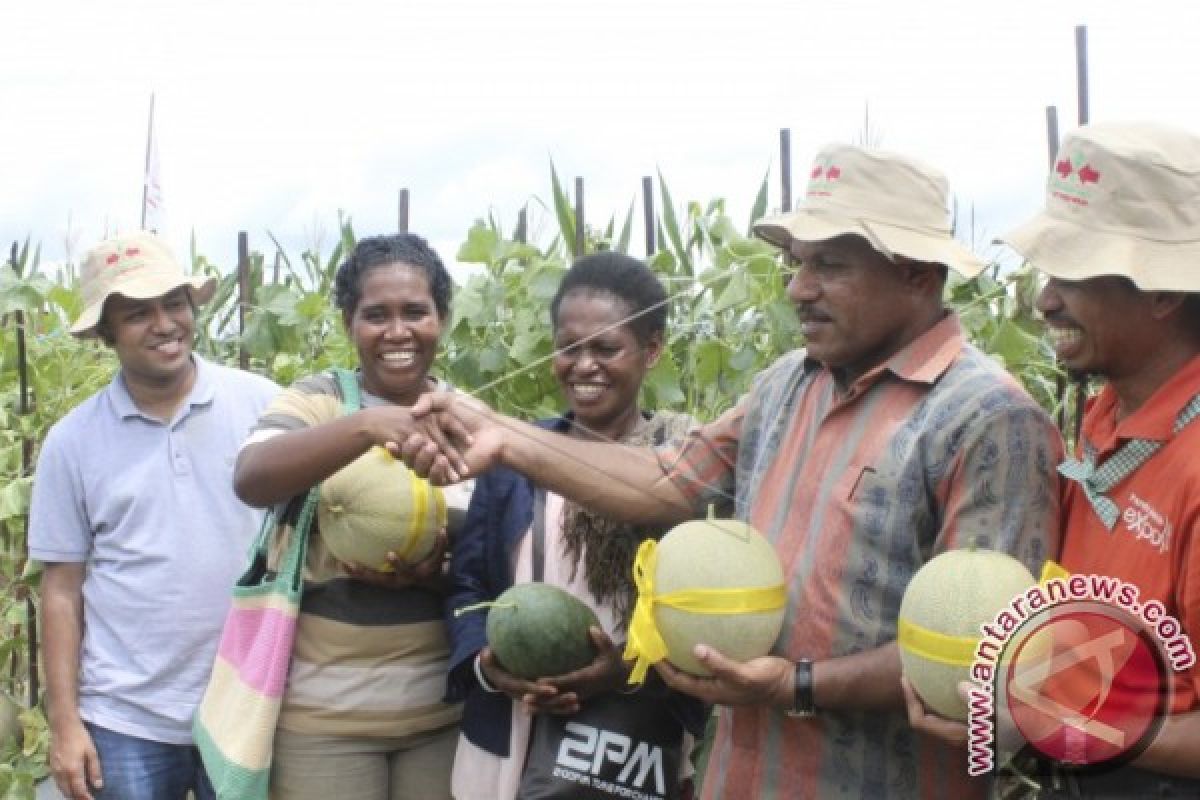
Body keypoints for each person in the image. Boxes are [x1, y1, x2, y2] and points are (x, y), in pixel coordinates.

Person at [400, 143, 1064, 799]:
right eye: (797, 263)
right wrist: (504, 436)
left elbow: (980, 651)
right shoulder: (787, 386)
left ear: (918, 272)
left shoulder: (989, 418)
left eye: (829, 265)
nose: (798, 288)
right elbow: (664, 482)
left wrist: (795, 685)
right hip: (744, 774)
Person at [907, 122, 1200, 797]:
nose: (1044, 300)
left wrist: (1052, 725)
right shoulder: (1108, 415)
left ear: (1162, 292)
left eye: (1072, 272)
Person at [446, 252, 708, 800]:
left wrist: (628, 672)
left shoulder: (684, 472)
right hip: (511, 735)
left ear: (652, 350)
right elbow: (468, 587)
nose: (583, 365)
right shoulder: (513, 458)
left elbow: (704, 618)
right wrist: (491, 667)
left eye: (606, 348)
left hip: (631, 738)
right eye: (569, 348)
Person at [29, 231, 280, 800]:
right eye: (138, 314)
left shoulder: (263, 405)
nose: (164, 324)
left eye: (174, 305)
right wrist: (66, 725)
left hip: (249, 705)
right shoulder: (73, 442)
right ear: (105, 333)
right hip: (125, 719)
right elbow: (62, 590)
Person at [232, 232, 470, 800]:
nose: (397, 332)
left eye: (415, 312)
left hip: (440, 718)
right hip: (323, 723)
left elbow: (496, 560)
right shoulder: (319, 402)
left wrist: (433, 576)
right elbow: (251, 477)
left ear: (442, 318)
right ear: (348, 322)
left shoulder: (466, 417)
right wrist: (365, 426)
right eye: (375, 315)